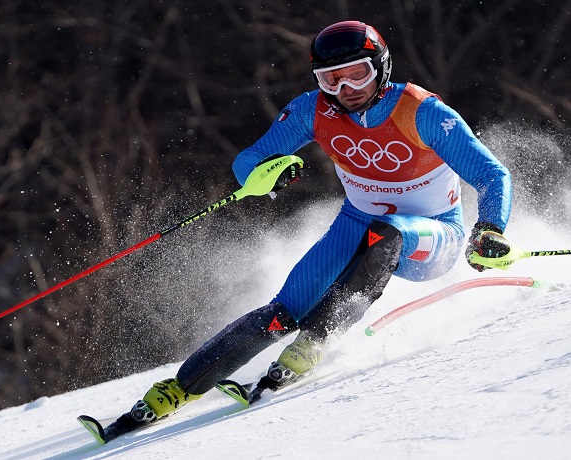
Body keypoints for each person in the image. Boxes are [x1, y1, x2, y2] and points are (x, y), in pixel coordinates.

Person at [99, 20, 513, 440]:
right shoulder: (312, 110)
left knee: (389, 233)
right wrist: (265, 173)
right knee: (283, 310)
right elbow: (248, 159)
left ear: (381, 68)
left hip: (433, 240)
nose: (345, 88)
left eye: (358, 74)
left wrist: (491, 228)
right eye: (330, 79)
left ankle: (315, 342)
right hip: (356, 226)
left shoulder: (421, 112)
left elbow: (491, 175)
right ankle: (175, 390)